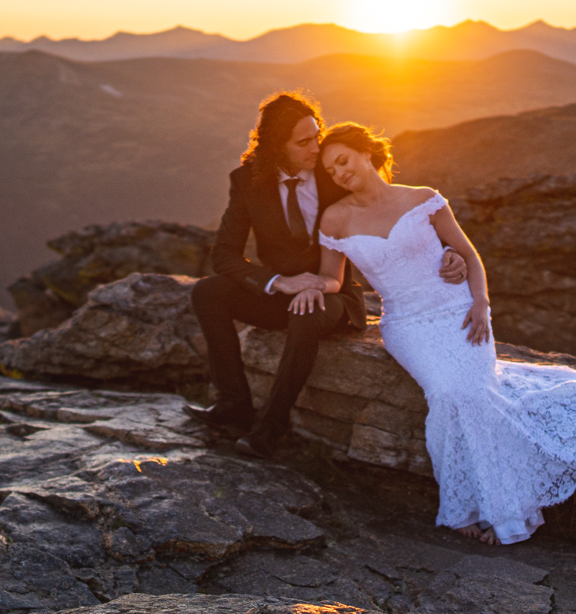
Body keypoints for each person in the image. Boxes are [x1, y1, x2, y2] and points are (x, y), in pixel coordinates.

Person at [296, 123, 576, 545]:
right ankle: (466, 507)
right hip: (406, 324)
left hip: (457, 310)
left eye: (344, 161)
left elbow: (467, 254)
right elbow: (331, 279)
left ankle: (486, 506)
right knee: (449, 393)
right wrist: (295, 285)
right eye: (331, 171)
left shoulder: (424, 199)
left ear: (367, 154)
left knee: (475, 392)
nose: (339, 173)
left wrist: (481, 302)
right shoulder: (335, 219)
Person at [184, 93, 467, 458]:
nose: (316, 148)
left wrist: (446, 251)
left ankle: (272, 425)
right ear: (277, 146)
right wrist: (278, 283)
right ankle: (233, 405)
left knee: (306, 313)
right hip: (280, 294)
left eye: (316, 136)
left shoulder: (332, 171)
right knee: (207, 293)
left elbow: (391, 213)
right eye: (304, 142)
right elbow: (223, 255)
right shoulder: (247, 181)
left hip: (333, 295)